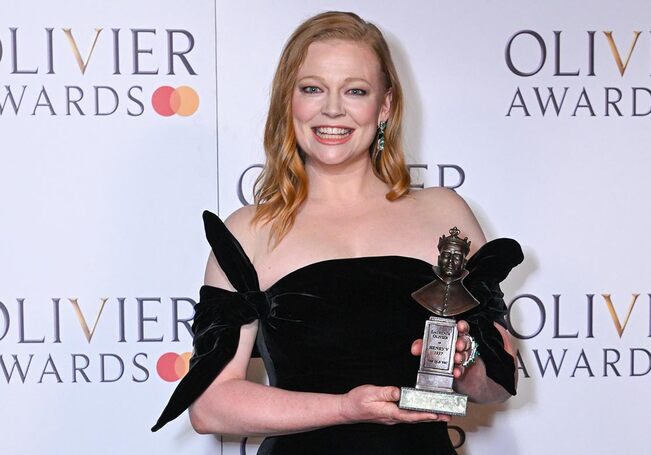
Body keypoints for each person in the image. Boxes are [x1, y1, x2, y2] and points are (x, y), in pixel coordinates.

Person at [152, 11, 523, 454]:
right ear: (288, 102)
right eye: (312, 89)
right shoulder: (249, 231)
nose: (332, 109)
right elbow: (211, 407)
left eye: (355, 91)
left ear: (384, 106)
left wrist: (466, 365)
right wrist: (347, 407)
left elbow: (498, 385)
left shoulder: (443, 213)